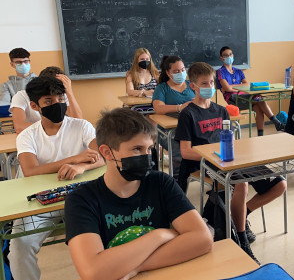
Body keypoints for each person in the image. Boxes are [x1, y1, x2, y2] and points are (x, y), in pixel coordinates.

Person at [65, 108, 213, 280]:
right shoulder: (81, 200)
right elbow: (94, 272)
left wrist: (137, 266)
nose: (147, 157)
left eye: (149, 149)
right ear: (106, 152)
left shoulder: (161, 183)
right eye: (137, 149)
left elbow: (202, 238)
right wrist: (160, 235)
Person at [175, 62, 287, 264]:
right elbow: (185, 151)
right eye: (204, 83)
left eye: (211, 82)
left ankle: (242, 215)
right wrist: (212, 156)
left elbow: (231, 142)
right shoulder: (187, 114)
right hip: (203, 163)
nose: (209, 86)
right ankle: (242, 240)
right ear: (193, 86)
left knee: (280, 184)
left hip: (227, 159)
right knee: (241, 184)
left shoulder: (221, 111)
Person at [9, 76, 105, 280]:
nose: (58, 104)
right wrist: (76, 158)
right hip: (40, 203)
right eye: (49, 102)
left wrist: (80, 167)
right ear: (35, 106)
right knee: (19, 247)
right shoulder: (28, 135)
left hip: (81, 201)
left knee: (110, 232)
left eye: (61, 99)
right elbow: (30, 171)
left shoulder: (81, 126)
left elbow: (105, 155)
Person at [216, 46, 284, 136]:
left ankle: (261, 135)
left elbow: (246, 85)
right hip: (233, 99)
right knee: (258, 98)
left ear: (233, 55)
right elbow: (228, 89)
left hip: (245, 96)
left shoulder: (238, 71)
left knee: (258, 106)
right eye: (225, 55)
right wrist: (236, 86)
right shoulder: (220, 72)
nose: (229, 57)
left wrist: (231, 86)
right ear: (221, 58)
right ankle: (277, 123)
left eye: (230, 54)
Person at [152, 55, 195, 180]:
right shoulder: (162, 88)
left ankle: (205, 176)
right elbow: (158, 108)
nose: (181, 73)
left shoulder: (191, 85)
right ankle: (178, 182)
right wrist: (180, 107)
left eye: (182, 70)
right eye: (176, 71)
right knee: (179, 152)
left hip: (191, 128)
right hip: (168, 131)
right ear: (168, 73)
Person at [10, 66, 83, 133]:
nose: (56, 96)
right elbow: (19, 127)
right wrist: (52, 129)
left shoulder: (62, 94)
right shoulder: (21, 96)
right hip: (35, 136)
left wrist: (69, 92)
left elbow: (78, 121)